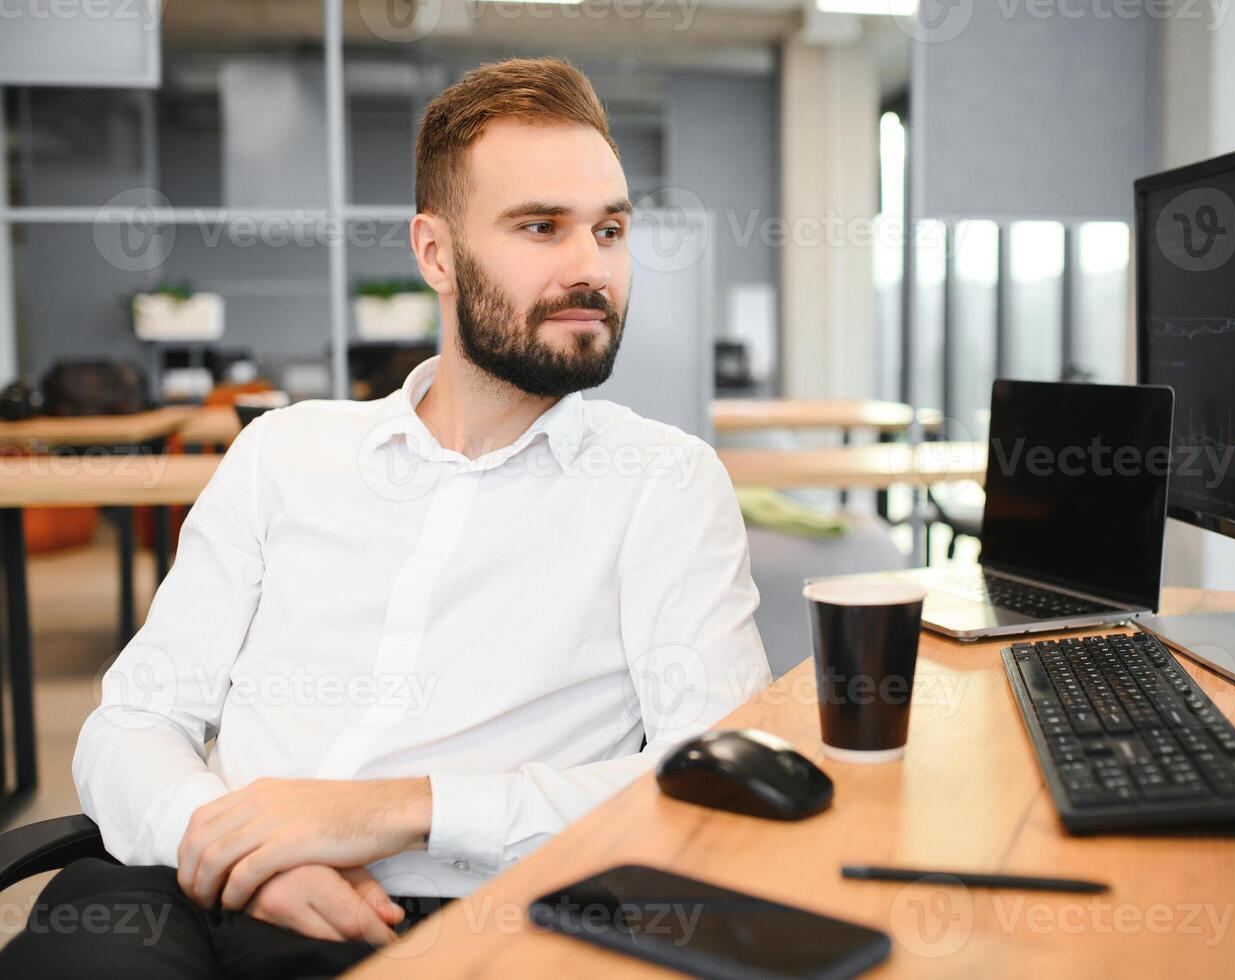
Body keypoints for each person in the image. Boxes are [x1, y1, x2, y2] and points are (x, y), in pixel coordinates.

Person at [1, 56, 770, 979]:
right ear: (435, 253)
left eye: (609, 229)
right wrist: (230, 852)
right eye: (541, 227)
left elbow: (708, 780)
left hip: (444, 911)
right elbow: (132, 719)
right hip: (184, 876)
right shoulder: (285, 453)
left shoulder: (663, 483)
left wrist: (405, 808)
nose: (590, 267)